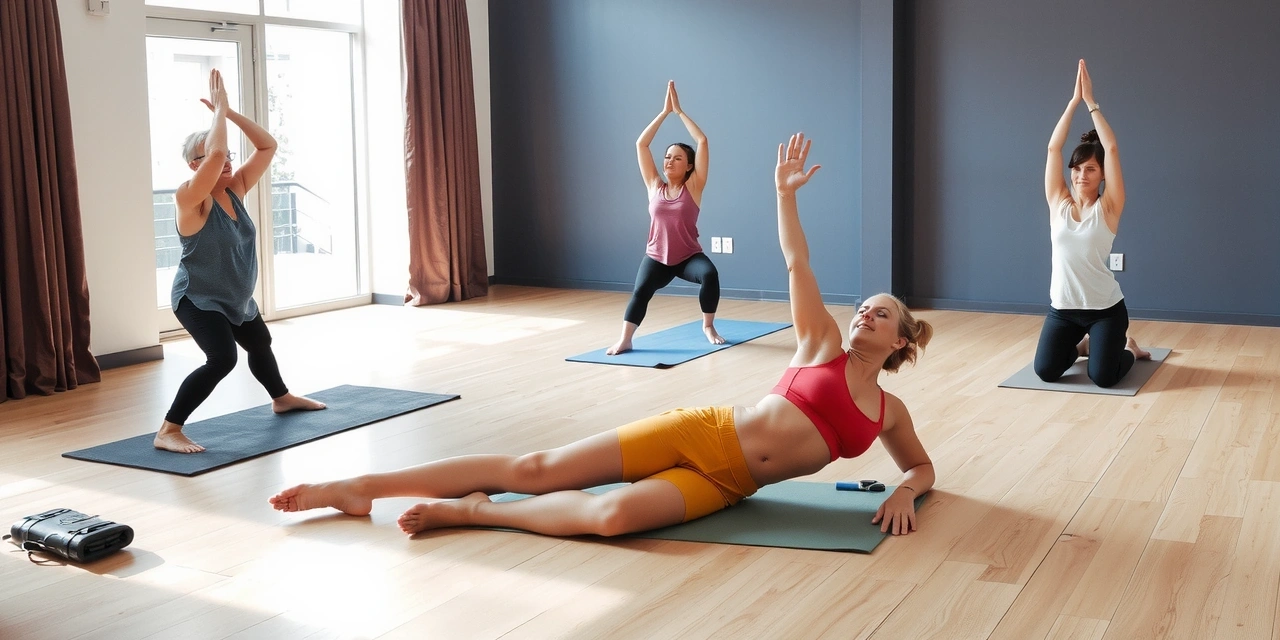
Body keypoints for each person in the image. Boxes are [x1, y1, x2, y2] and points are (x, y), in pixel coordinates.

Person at [270, 133, 937, 537]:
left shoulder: (887, 410)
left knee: (611, 519)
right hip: (701, 432)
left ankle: (474, 514)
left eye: (880, 315)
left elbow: (921, 466)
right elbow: (798, 261)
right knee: (534, 471)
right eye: (863, 309)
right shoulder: (819, 341)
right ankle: (362, 487)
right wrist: (784, 195)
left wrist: (908, 491)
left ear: (903, 342)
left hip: (730, 485)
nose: (863, 317)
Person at [157, 68, 327, 454]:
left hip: (235, 296)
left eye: (230, 157)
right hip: (198, 298)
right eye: (214, 159)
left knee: (261, 343)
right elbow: (216, 152)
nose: (226, 162)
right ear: (193, 167)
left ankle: (281, 398)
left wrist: (228, 112)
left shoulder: (234, 189)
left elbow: (267, 146)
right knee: (222, 359)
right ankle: (168, 430)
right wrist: (217, 110)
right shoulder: (189, 199)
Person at [1032, 59, 1152, 388]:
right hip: (1064, 309)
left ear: (1102, 176)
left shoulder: (1110, 207)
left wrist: (1091, 103)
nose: (1081, 175)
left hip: (1105, 310)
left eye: (1091, 169)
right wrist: (1072, 103)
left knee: (1103, 377)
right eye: (1077, 168)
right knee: (1045, 371)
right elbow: (1053, 147)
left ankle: (1126, 348)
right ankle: (1086, 346)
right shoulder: (1057, 202)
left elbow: (1110, 147)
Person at [609, 80, 722, 355]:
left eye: (677, 158)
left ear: (689, 166)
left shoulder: (694, 187)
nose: (669, 161)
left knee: (710, 275)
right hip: (657, 257)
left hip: (687, 258)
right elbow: (641, 144)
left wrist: (679, 112)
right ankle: (626, 338)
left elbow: (702, 141)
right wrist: (663, 113)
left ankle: (708, 326)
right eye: (667, 156)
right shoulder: (654, 186)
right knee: (640, 292)